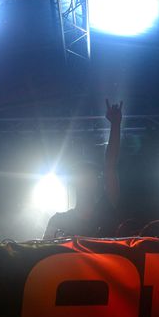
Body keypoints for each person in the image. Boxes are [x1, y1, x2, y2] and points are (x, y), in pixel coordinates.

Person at [42, 99, 122, 239]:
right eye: (81, 176)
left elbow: (110, 166)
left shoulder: (106, 211)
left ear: (97, 182)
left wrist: (115, 125)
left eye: (89, 176)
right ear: (74, 182)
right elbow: (44, 249)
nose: (85, 181)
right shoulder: (59, 220)